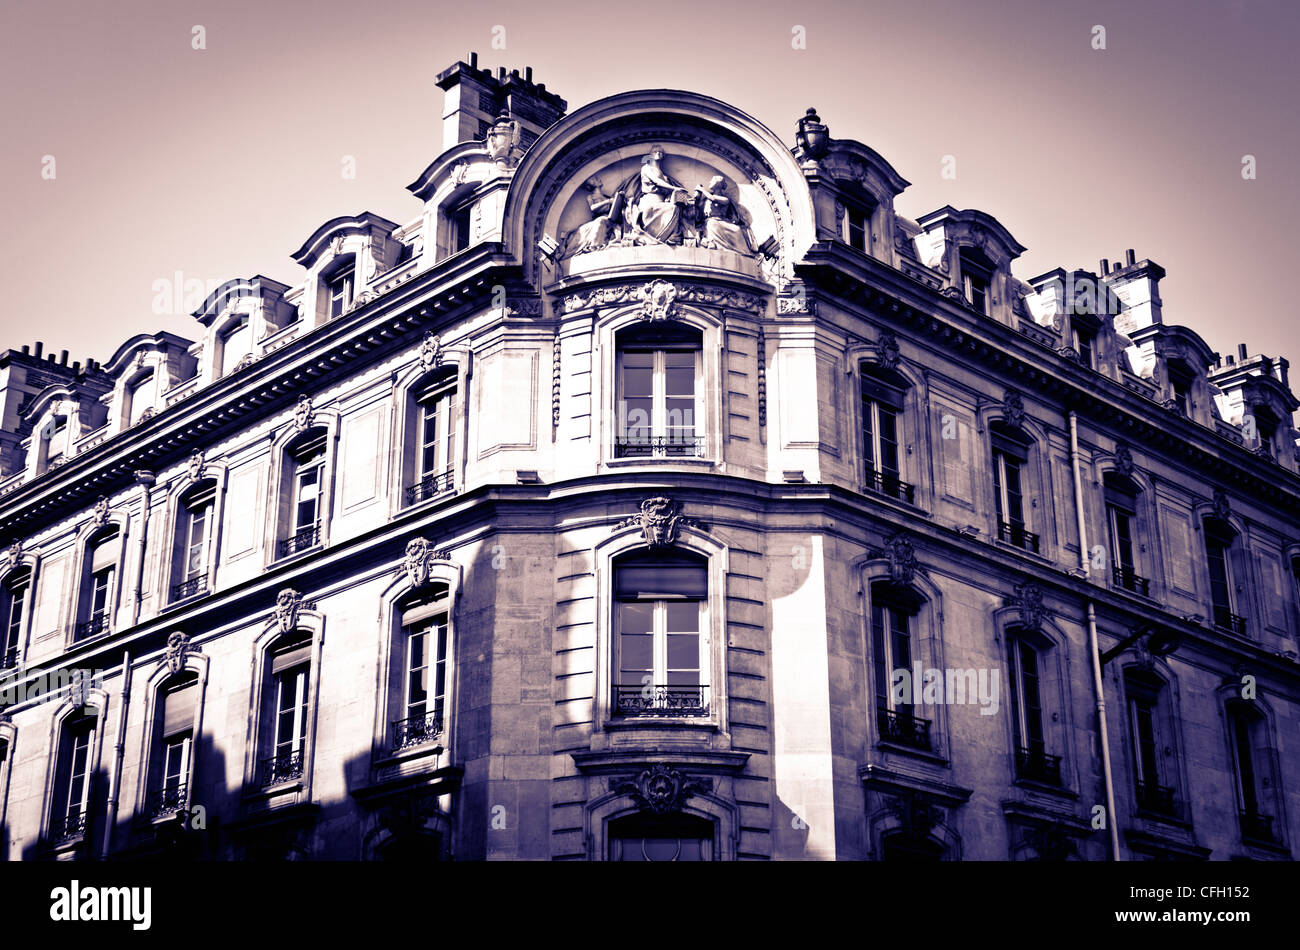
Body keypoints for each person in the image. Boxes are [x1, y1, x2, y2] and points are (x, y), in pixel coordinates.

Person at [632, 147, 688, 244]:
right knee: (672, 208)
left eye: (660, 152)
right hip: (650, 200)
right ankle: (670, 236)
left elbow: (665, 190)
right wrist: (674, 188)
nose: (658, 153)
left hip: (661, 201)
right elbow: (656, 181)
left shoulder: (663, 175)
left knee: (675, 208)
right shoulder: (646, 168)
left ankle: (673, 237)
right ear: (650, 155)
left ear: (663, 156)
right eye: (655, 151)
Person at [695, 176, 755, 255]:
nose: (709, 182)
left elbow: (712, 198)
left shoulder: (725, 199)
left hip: (721, 221)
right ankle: (710, 242)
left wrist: (701, 189)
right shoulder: (706, 200)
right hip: (711, 221)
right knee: (711, 223)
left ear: (718, 184)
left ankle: (744, 252)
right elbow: (698, 212)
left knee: (737, 230)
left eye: (712, 181)